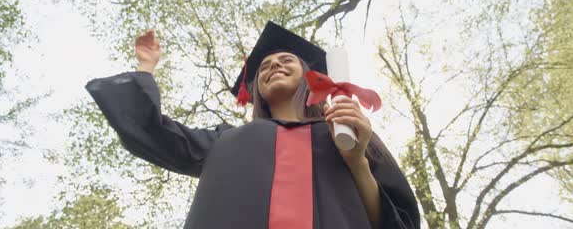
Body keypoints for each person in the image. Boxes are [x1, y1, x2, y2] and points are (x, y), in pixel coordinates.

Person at [85, 21, 420, 229]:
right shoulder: (227, 141)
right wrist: (146, 68)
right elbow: (154, 135)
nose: (274, 65)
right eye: (265, 66)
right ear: (256, 88)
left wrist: (356, 161)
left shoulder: (350, 133)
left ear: (311, 77)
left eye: (286, 60)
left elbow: (393, 223)